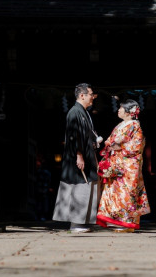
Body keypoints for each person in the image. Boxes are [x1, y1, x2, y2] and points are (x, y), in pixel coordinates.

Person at [53, 83, 101, 233]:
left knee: (88, 186)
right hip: (78, 156)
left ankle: (84, 221)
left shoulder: (83, 112)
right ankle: (76, 223)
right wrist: (79, 155)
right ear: (82, 95)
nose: (92, 97)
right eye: (90, 94)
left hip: (86, 154)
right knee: (80, 187)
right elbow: (74, 136)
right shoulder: (74, 112)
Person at [96, 99, 150, 232]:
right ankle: (115, 220)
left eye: (121, 108)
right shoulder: (121, 125)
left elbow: (136, 146)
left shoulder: (134, 125)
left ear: (129, 112)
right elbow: (110, 141)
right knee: (113, 191)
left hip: (128, 165)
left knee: (126, 192)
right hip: (116, 163)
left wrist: (119, 147)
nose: (118, 110)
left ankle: (126, 222)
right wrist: (109, 145)